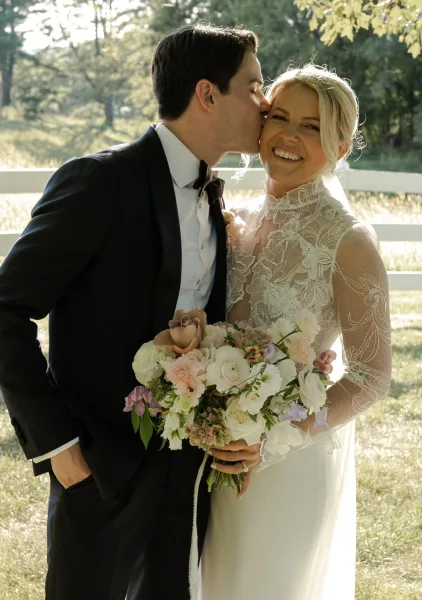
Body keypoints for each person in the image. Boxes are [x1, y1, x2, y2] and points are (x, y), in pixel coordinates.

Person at [0, 26, 333, 600]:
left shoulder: (214, 196)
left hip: (190, 473)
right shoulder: (100, 182)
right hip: (101, 469)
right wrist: (59, 447)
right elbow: (6, 310)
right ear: (208, 94)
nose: (267, 101)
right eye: (254, 86)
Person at [201, 65, 392, 600]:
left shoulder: (348, 240)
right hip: (208, 448)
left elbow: (373, 377)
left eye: (311, 126)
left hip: (287, 460)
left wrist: (273, 440)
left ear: (341, 143)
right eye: (279, 116)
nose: (288, 135)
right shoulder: (233, 219)